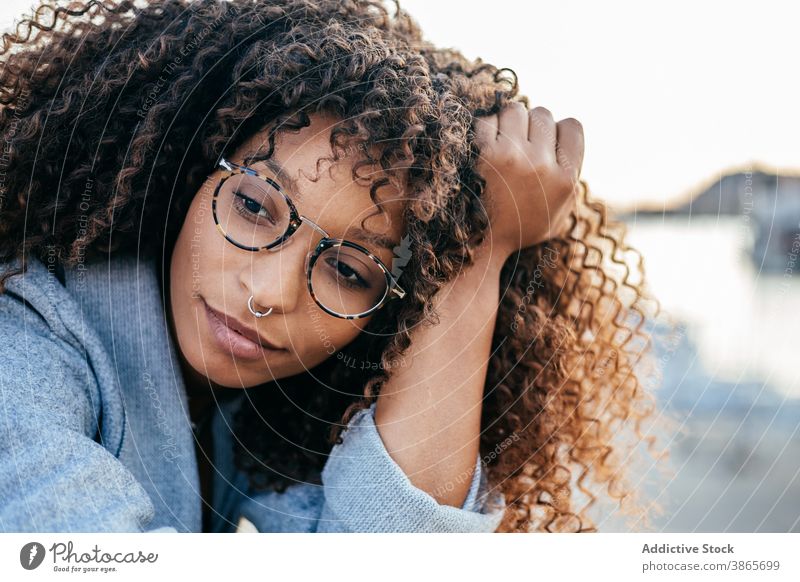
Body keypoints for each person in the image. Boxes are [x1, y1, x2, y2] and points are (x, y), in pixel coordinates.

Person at [0, 0, 662, 533]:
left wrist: (478, 257)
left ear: (395, 318)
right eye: (256, 206)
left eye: (350, 271)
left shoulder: (265, 410)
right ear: (185, 171)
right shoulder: (22, 348)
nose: (268, 292)